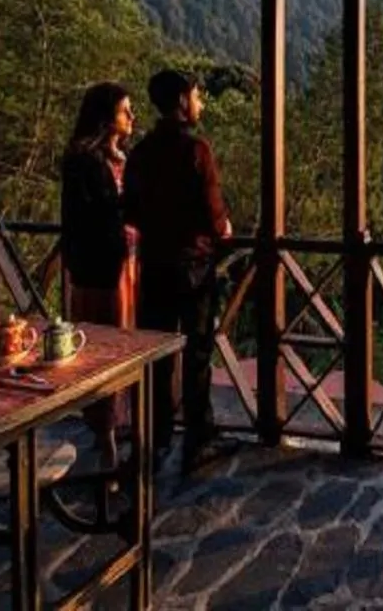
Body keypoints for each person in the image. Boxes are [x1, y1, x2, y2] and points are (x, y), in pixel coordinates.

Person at [124, 69, 235, 475]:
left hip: (154, 267)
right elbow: (213, 214)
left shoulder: (141, 153)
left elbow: (130, 211)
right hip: (193, 269)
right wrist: (223, 230)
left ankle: (154, 441)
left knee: (157, 358)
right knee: (197, 354)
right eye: (197, 96)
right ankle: (197, 440)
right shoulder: (196, 151)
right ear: (183, 101)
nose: (201, 103)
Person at [60, 82, 139, 478]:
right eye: (126, 110)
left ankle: (114, 431)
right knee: (106, 352)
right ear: (107, 116)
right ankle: (107, 443)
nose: (132, 117)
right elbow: (99, 218)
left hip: (119, 268)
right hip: (104, 272)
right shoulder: (86, 163)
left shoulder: (105, 158)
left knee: (117, 349)